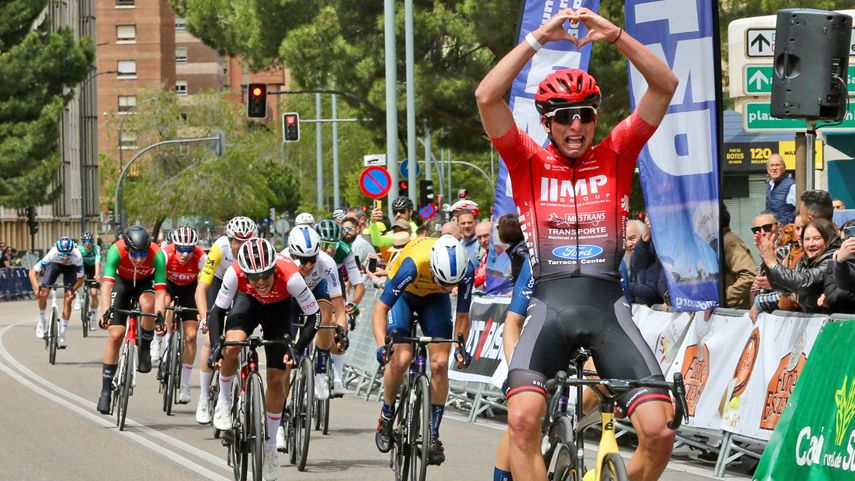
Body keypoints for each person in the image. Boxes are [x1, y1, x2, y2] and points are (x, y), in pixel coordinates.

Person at [475, 7, 679, 481]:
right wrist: (538, 38)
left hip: (608, 311)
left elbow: (665, 85)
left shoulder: (616, 153)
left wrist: (614, 36)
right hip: (549, 309)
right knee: (523, 420)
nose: (575, 126)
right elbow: (487, 95)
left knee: (660, 430)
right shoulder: (526, 161)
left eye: (585, 115)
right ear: (546, 121)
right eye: (563, 116)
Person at [208, 238, 320, 481]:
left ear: (273, 270)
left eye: (265, 276)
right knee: (233, 345)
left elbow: (314, 316)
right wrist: (217, 345)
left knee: (277, 379)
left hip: (278, 310)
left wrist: (298, 349)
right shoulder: (234, 273)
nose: (260, 281)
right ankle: (224, 402)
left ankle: (269, 449)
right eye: (254, 276)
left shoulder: (291, 276)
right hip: (247, 304)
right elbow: (216, 312)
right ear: (245, 272)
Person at [373, 235, 474, 465]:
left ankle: (433, 433)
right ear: (433, 267)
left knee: (439, 363)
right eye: (444, 282)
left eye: (452, 284)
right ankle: (386, 415)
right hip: (404, 297)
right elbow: (380, 308)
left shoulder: (466, 269)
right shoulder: (413, 264)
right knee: (401, 359)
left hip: (435, 301)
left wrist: (460, 347)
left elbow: (462, 316)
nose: (449, 287)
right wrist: (381, 345)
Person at [96, 226, 167, 414]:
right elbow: (106, 286)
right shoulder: (116, 250)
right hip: (122, 284)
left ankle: (145, 345)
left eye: (143, 254)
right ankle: (105, 390)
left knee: (148, 305)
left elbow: (161, 291)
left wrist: (160, 317)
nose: (139, 259)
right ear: (127, 249)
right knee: (116, 334)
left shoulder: (157, 254)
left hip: (145, 284)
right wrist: (106, 312)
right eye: (134, 254)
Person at [195, 216, 258, 423]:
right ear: (229, 239)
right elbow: (202, 288)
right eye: (236, 242)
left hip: (242, 286)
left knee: (239, 337)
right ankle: (204, 398)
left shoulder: (258, 252)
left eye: (245, 241)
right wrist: (205, 318)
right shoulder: (219, 248)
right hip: (219, 283)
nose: (240, 247)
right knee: (209, 340)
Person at [159, 226, 207, 405]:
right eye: (181, 249)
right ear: (174, 246)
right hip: (169, 286)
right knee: (164, 304)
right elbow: (154, 280)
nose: (185, 254)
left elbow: (207, 283)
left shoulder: (201, 257)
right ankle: (160, 341)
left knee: (191, 336)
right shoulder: (164, 254)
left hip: (189, 290)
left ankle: (184, 385)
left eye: (189, 249)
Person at [317, 219, 365, 392]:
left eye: (333, 245)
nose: (329, 249)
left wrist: (353, 303)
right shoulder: (310, 249)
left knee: (338, 321)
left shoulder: (344, 250)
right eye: (325, 245)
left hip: (332, 283)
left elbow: (359, 284)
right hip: (310, 284)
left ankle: (337, 377)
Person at [757, 218, 839, 314]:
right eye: (807, 239)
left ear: (828, 239)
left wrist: (772, 264)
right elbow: (784, 287)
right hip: (812, 320)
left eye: (817, 238)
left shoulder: (833, 258)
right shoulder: (803, 260)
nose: (811, 244)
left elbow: (804, 282)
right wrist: (768, 261)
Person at [28, 237, 85, 346]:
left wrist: (72, 289)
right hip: (54, 266)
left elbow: (81, 279)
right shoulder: (52, 254)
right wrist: (37, 288)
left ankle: (62, 334)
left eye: (67, 256)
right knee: (43, 293)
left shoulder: (77, 256)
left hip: (71, 269)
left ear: (71, 252)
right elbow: (32, 273)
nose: (64, 259)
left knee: (68, 299)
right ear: (58, 252)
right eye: (62, 256)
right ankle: (41, 321)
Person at [721, 204, 757, 309]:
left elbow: (749, 276)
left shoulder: (729, 242)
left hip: (733, 315)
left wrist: (722, 299)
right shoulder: (720, 242)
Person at [78, 232, 102, 330]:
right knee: (78, 281)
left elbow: (97, 262)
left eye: (89, 241)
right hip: (82, 267)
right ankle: (79, 299)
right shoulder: (79, 249)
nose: (87, 244)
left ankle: (94, 320)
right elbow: (77, 263)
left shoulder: (96, 248)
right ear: (82, 242)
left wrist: (97, 275)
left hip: (93, 268)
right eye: (85, 242)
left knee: (94, 293)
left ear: (92, 242)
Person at [764, 154, 796, 225]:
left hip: (786, 232)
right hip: (772, 231)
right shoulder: (770, 186)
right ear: (768, 169)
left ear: (784, 168)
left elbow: (800, 212)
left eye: (777, 165)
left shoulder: (792, 186)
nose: (774, 168)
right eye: (772, 165)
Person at [474, 221, 492, 289]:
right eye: (479, 237)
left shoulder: (503, 254)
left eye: (486, 236)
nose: (483, 240)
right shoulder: (485, 255)